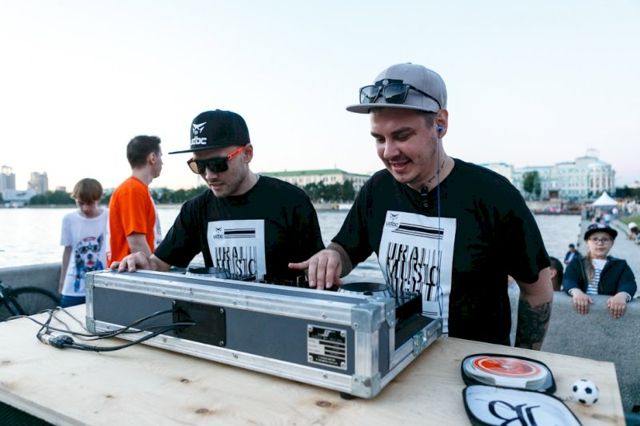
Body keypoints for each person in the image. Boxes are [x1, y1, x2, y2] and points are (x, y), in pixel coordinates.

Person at [290, 63, 553, 348]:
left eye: (402, 136)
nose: (389, 152)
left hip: (474, 365)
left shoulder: (494, 195)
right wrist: (330, 257)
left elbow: (537, 292)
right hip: (397, 355)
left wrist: (523, 362)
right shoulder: (377, 189)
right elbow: (345, 250)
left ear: (440, 124)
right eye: (379, 139)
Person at [115, 109, 324, 284]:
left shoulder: (290, 201)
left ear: (247, 154)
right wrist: (140, 263)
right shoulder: (196, 209)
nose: (209, 175)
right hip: (220, 317)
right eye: (199, 165)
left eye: (218, 164)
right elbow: (159, 265)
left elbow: (317, 270)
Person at [108, 135, 163, 266]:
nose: (162, 162)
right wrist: (154, 272)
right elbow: (137, 244)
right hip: (131, 272)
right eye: (161, 156)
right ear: (152, 158)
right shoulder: (132, 190)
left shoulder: (137, 189)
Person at [564, 223, 636, 319]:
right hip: (581, 312)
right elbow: (568, 279)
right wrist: (576, 292)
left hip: (608, 315)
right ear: (587, 242)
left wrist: (622, 295)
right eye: (595, 239)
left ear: (612, 243)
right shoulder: (577, 263)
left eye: (605, 239)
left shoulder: (620, 265)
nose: (600, 243)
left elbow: (629, 283)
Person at [59, 178, 108, 307]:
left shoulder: (109, 216)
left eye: (90, 203)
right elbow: (67, 251)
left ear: (99, 198)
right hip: (72, 288)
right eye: (80, 203)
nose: (85, 208)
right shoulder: (69, 219)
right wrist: (62, 282)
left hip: (101, 287)